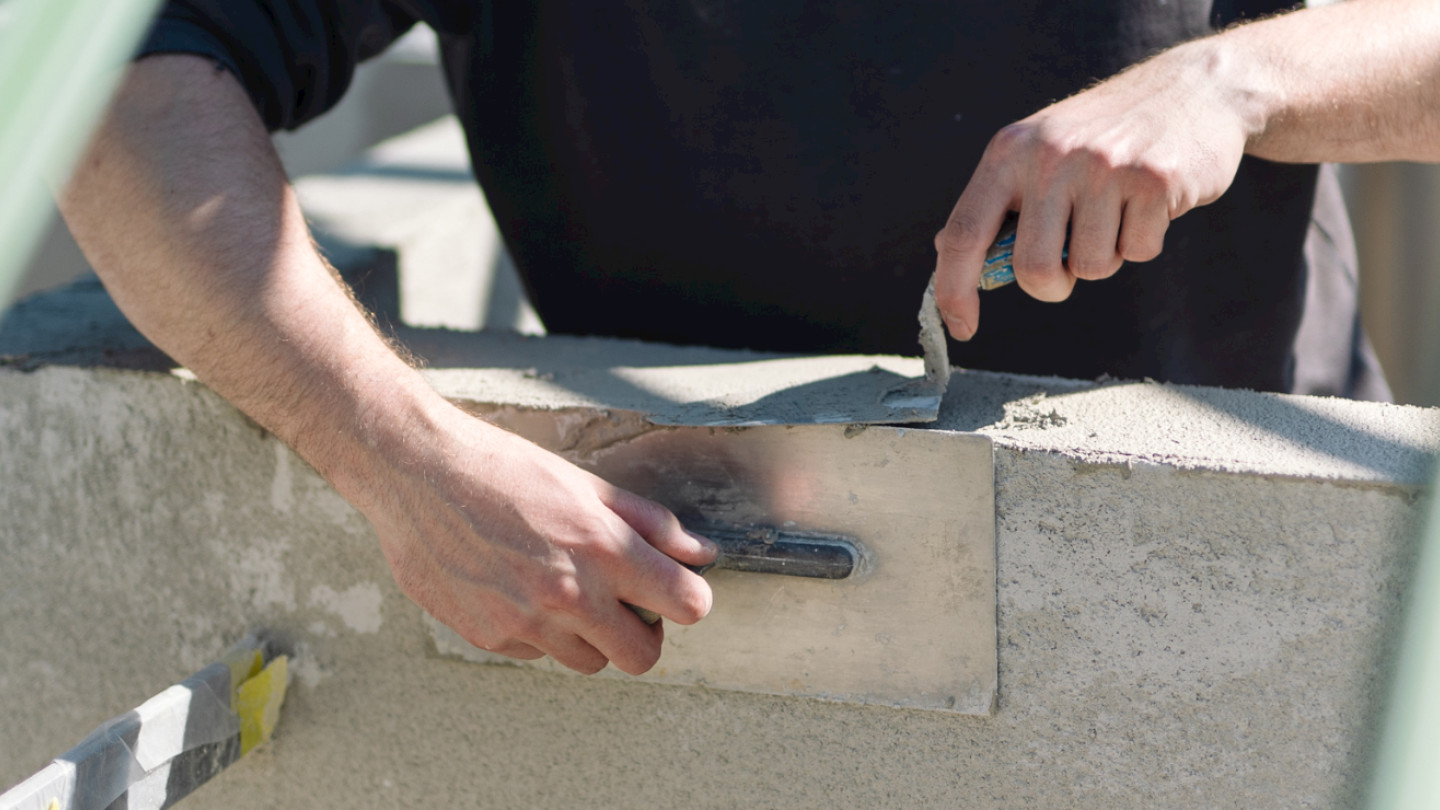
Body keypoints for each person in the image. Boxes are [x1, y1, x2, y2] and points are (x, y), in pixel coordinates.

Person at [58, 0, 1437, 675]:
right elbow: (110, 94)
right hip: (690, 630)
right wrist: (393, 452)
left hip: (1260, 599)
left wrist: (1234, 79)